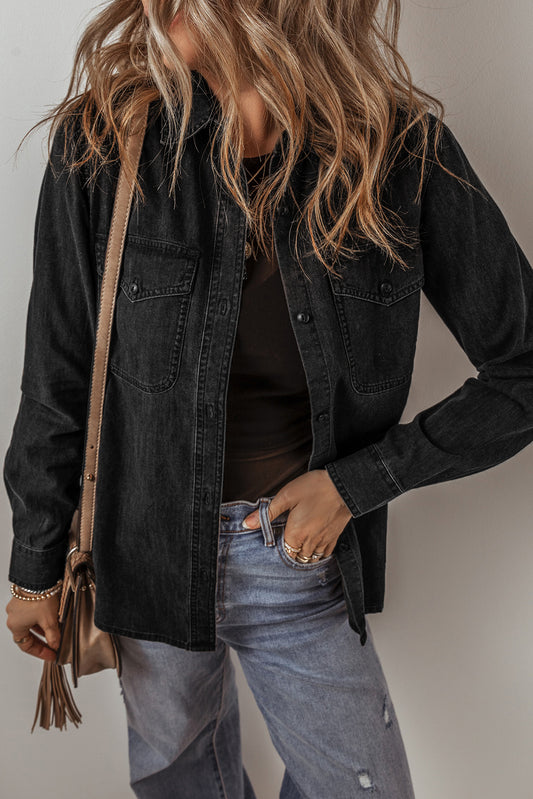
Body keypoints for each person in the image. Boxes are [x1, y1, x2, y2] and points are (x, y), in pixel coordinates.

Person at [4, 1, 533, 797]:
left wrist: (354, 485)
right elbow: (57, 373)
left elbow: (522, 370)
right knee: (180, 779)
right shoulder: (104, 143)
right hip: (143, 555)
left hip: (298, 562)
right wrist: (34, 567)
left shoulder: (399, 152)